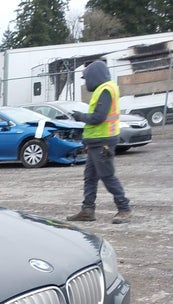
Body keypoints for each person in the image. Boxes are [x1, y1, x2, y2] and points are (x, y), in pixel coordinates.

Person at [67, 60, 132, 225]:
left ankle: (124, 209)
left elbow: (98, 117)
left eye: (86, 78)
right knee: (90, 177)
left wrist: (80, 117)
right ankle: (87, 210)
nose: (86, 82)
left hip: (103, 141)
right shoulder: (103, 89)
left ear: (93, 75)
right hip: (96, 141)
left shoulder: (105, 90)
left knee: (107, 176)